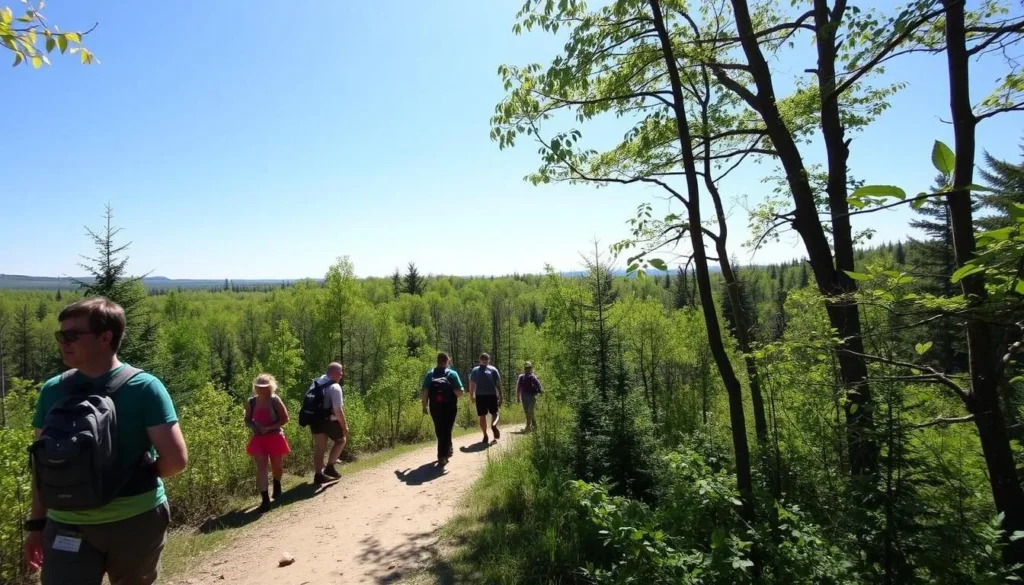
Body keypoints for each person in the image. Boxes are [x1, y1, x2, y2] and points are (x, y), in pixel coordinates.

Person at [23, 297, 188, 585]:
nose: (63, 342)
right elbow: (174, 461)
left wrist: (36, 524)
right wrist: (141, 475)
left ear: (105, 337)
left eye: (72, 335)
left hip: (67, 524)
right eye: (60, 335)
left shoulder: (52, 391)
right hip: (136, 520)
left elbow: (42, 468)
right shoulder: (145, 387)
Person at [244, 373, 291, 513]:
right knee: (262, 467)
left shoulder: (275, 400)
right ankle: (265, 500)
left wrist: (269, 428)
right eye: (259, 387)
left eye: (264, 387)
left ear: (270, 387)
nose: (261, 389)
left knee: (277, 465)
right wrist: (254, 427)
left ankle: (277, 484)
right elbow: (247, 419)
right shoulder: (251, 402)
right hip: (259, 438)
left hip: (275, 436)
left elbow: (285, 418)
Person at [420, 352, 464, 466]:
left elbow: (425, 391)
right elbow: (460, 392)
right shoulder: (452, 374)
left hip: (435, 406)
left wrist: (424, 405)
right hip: (450, 405)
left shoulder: (430, 374)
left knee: (439, 429)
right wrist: (450, 391)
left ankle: (444, 453)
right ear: (447, 361)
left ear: (437, 361)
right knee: (447, 429)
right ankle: (443, 455)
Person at [309, 362, 348, 486]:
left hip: (314, 420)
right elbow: (338, 410)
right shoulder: (335, 387)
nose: (341, 375)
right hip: (329, 421)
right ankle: (329, 467)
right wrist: (344, 426)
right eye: (341, 373)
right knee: (341, 440)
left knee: (320, 447)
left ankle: (318, 475)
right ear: (336, 373)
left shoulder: (316, 382)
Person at [469, 353, 503, 444]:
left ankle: (485, 435)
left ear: (480, 360)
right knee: (495, 413)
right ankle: (494, 425)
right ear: (489, 360)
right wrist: (501, 396)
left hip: (480, 396)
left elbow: (472, 384)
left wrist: (471, 395)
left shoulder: (475, 370)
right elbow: (498, 384)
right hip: (491, 395)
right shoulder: (493, 369)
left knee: (482, 416)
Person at [517, 361, 543, 432]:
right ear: (524, 368)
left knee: (530, 411)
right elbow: (518, 388)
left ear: (531, 368)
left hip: (532, 396)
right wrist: (518, 397)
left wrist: (540, 391)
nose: (528, 369)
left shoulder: (533, 377)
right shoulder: (521, 377)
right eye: (526, 368)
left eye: (529, 368)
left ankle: (528, 427)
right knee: (527, 411)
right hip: (524, 396)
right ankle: (534, 425)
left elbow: (539, 384)